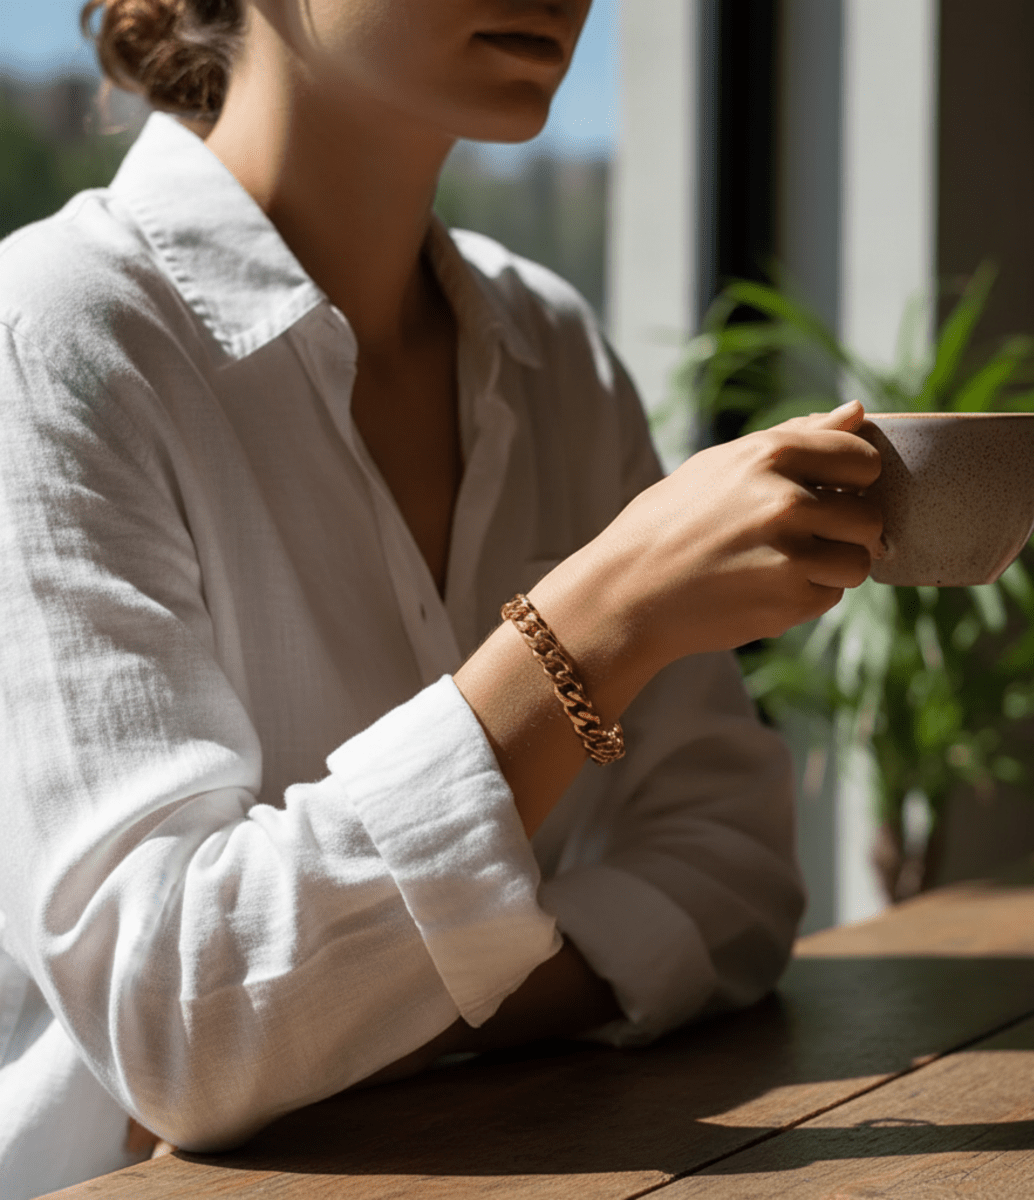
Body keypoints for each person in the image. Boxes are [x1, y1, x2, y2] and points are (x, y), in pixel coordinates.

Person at [0, 0, 883, 1195]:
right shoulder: (52, 337)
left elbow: (733, 880)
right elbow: (181, 1016)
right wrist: (596, 622)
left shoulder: (553, 347)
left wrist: (339, 1029)